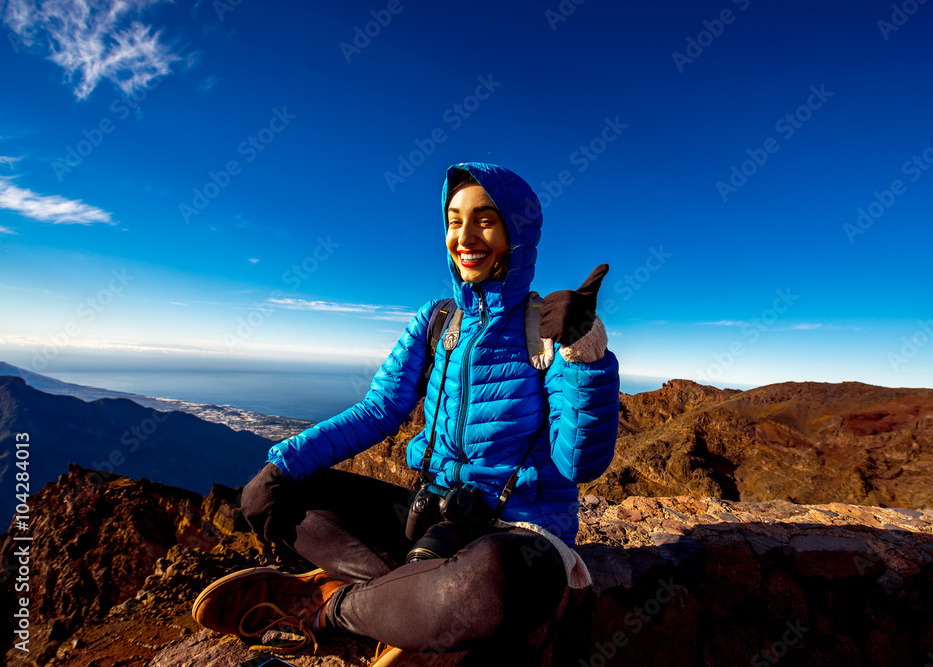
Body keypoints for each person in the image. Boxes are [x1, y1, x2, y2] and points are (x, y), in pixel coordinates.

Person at [191, 162, 620, 663]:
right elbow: (379, 410)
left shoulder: (549, 328)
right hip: (432, 518)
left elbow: (581, 464)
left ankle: (327, 605)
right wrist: (283, 463)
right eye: (454, 220)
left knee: (499, 581)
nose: (465, 235)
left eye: (485, 219)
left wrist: (584, 353)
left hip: (517, 536)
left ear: (516, 233)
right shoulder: (437, 320)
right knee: (279, 497)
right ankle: (411, 607)